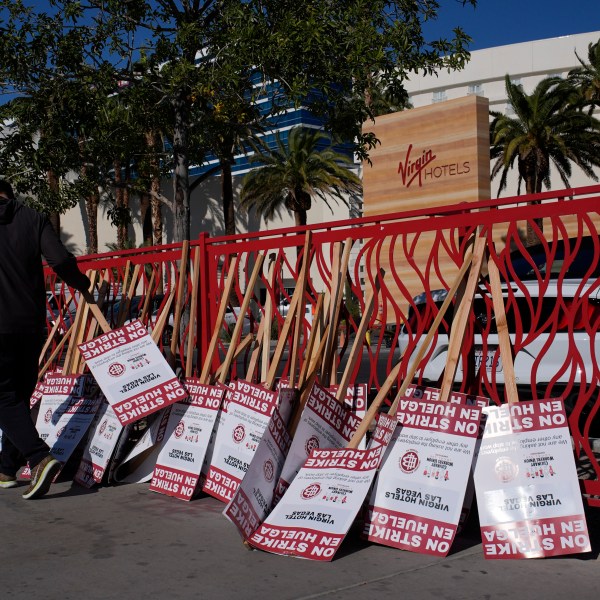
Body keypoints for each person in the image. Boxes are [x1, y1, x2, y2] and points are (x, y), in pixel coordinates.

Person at [0, 179, 91, 499]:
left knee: (4, 397)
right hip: (31, 323)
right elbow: (61, 261)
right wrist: (81, 284)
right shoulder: (32, 218)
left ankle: (39, 458)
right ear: (9, 193)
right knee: (19, 394)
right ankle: (7, 467)